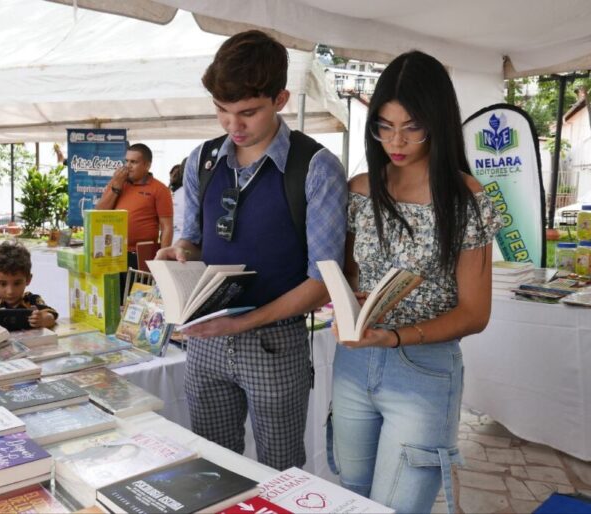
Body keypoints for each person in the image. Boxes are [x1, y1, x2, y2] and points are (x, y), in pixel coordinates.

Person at [156, 30, 347, 470]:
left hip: (274, 344)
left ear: (281, 99)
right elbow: (194, 240)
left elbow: (323, 284)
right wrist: (179, 252)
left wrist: (244, 323)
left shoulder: (315, 168)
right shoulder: (201, 161)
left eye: (248, 112)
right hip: (204, 342)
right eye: (221, 111)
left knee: (281, 472)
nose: (233, 126)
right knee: (213, 467)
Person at [328, 51, 503, 514]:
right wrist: (353, 300)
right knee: (351, 496)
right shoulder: (362, 190)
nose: (396, 140)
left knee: (398, 507)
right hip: (353, 364)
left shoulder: (465, 197)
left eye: (411, 126)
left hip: (424, 370)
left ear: (439, 123)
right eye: (383, 126)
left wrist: (398, 335)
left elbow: (474, 312)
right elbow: (348, 273)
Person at [95, 143, 173, 276]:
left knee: (135, 295)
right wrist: (116, 187)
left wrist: (162, 259)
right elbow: (99, 213)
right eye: (126, 161)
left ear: (147, 165)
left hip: (140, 255)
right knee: (113, 295)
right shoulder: (117, 182)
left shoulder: (159, 189)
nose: (128, 166)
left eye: (133, 162)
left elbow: (167, 227)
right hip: (112, 252)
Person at [0, 240, 58, 328]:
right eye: (3, 284)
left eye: (17, 283)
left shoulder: (32, 300)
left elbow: (51, 316)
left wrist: (42, 319)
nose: (10, 291)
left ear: (28, 279)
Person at [169, 162, 185, 242]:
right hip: (171, 237)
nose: (173, 176)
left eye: (176, 175)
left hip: (181, 238)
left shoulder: (185, 193)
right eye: (172, 174)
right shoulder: (169, 192)